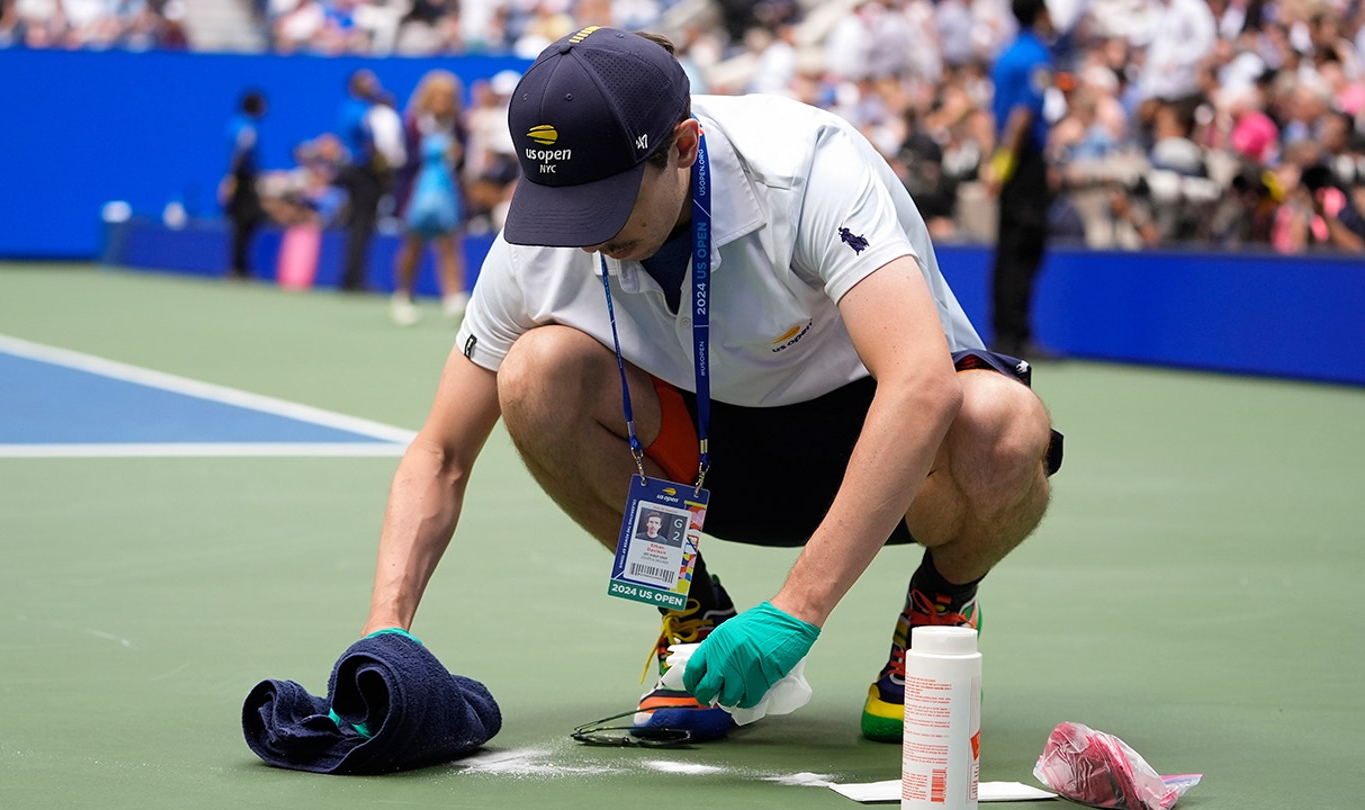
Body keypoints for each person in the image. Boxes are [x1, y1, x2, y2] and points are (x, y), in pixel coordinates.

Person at [360, 28, 1063, 745]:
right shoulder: (544, 236)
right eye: (568, 206)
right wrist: (385, 635)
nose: (586, 237)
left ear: (686, 147)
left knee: (1004, 422)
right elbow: (441, 454)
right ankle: (693, 612)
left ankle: (940, 607)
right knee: (535, 374)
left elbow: (919, 386)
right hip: (696, 467)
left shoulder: (809, 167)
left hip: (886, 455)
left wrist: (798, 608)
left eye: (607, 202)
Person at [986, 0, 1056, 360]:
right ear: (1041, 14)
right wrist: (1003, 165)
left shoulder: (1005, 54)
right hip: (1023, 163)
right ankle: (1016, 338)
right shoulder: (1037, 57)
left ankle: (1004, 334)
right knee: (1025, 249)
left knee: (1007, 247)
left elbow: (994, 112)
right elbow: (1023, 114)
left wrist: (995, 163)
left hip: (1008, 159)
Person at [390, 70, 470, 326]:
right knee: (413, 246)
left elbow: (464, 163)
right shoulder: (412, 123)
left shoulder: (458, 125)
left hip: (448, 196)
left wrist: (456, 157)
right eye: (438, 96)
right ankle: (403, 296)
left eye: (448, 96)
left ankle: (454, 296)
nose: (443, 101)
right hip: (415, 195)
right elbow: (403, 161)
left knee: (449, 244)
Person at [335, 68, 389, 292]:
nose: (374, 86)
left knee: (356, 222)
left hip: (351, 169)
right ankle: (354, 278)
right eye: (368, 82)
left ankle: (351, 275)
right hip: (362, 171)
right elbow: (369, 143)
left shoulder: (347, 109)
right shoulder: (362, 112)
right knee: (362, 224)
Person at [220, 89, 268, 281]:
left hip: (240, 178)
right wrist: (232, 178)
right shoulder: (247, 128)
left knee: (242, 225)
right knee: (245, 224)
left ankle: (239, 268)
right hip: (244, 180)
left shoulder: (234, 124)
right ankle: (239, 268)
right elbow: (240, 154)